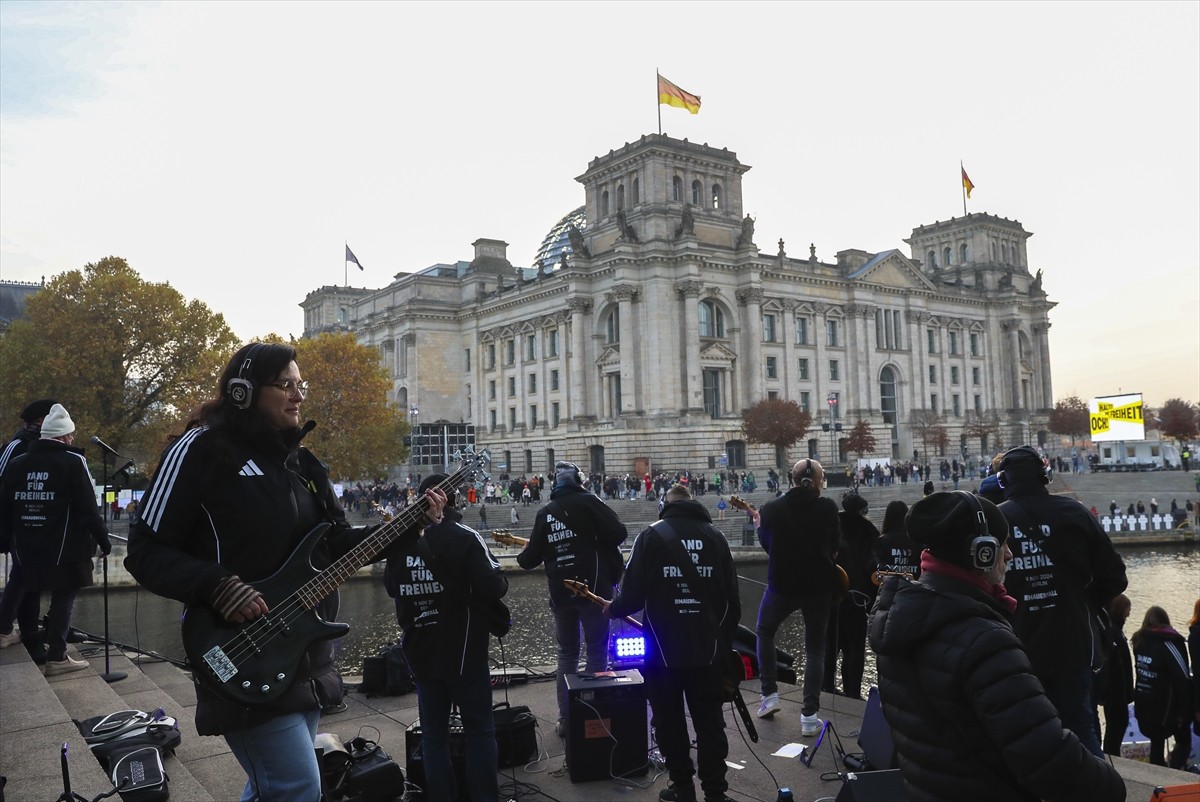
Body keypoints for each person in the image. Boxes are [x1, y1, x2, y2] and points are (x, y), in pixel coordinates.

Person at [125, 342, 444, 802]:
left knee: (271, 786)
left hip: (304, 653)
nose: (298, 396)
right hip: (238, 646)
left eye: (301, 385)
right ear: (242, 392)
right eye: (285, 385)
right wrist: (215, 585)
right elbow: (145, 548)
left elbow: (335, 547)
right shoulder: (198, 449)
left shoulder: (304, 464)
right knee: (296, 787)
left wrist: (411, 524)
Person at [868, 491, 1126, 802]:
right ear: (982, 554)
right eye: (1002, 544)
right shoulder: (984, 640)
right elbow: (1047, 758)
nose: (1010, 554)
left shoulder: (896, 620)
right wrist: (1113, 787)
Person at [605, 483, 740, 802]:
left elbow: (633, 595)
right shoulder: (715, 537)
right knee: (710, 723)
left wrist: (614, 608)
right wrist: (721, 642)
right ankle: (716, 793)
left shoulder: (650, 536)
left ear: (665, 506)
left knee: (669, 721)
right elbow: (732, 603)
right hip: (706, 647)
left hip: (662, 650)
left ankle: (682, 788)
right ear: (693, 503)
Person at [995, 445, 1128, 757]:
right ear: (1045, 476)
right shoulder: (1075, 513)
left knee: (1022, 733)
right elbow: (1116, 578)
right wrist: (1078, 595)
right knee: (1081, 727)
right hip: (1072, 640)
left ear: (1004, 481)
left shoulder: (995, 521)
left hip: (1016, 644)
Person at [384, 473, 507, 802]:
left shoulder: (401, 543)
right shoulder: (465, 537)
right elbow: (495, 586)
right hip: (464, 652)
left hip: (421, 652)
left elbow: (392, 587)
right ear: (452, 500)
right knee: (480, 731)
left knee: (433, 738)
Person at [517, 460, 627, 736]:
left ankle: (566, 720)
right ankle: (592, 719)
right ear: (579, 481)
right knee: (597, 650)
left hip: (561, 594)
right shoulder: (591, 502)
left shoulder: (545, 512)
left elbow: (528, 561)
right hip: (594, 590)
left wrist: (534, 549)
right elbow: (619, 533)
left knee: (566, 653)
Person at [0, 403, 111, 674]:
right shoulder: (73, 461)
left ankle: (12, 633)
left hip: (27, 543)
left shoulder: (18, 462)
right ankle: (57, 656)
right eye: (71, 436)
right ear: (64, 437)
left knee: (26, 586)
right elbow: (88, 507)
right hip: (66, 545)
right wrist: (103, 541)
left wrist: (4, 540)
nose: (72, 440)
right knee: (65, 594)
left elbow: (5, 504)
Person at [753, 458, 840, 734]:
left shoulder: (771, 509)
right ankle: (809, 717)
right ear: (815, 481)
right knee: (815, 648)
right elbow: (835, 546)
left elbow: (768, 545)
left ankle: (769, 696)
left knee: (764, 632)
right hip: (818, 588)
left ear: (793, 479)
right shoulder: (827, 507)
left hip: (781, 586)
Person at [0, 398, 57, 650]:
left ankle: (29, 630)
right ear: (39, 421)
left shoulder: (33, 445)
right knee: (22, 575)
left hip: (29, 522)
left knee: (29, 576)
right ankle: (4, 628)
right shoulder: (17, 446)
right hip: (17, 523)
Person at [823, 493, 878, 700]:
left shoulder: (833, 525)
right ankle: (852, 692)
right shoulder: (869, 530)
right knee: (854, 648)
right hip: (858, 597)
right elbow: (873, 566)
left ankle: (826, 685)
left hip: (833, 594)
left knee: (831, 643)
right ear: (862, 509)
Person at [1131, 605, 1193, 769]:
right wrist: (1183, 711)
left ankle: (1157, 775)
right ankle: (1173, 772)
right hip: (1166, 706)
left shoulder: (1138, 641)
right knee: (1183, 740)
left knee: (1156, 745)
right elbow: (1182, 677)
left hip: (1144, 702)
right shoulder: (1169, 642)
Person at [1093, 593, 1134, 756]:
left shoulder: (1112, 629)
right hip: (1116, 692)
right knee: (1117, 725)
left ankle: (1111, 755)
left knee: (1115, 726)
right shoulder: (1114, 632)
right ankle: (1112, 757)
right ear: (1121, 610)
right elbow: (1117, 665)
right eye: (1128, 608)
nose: (1130, 612)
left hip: (1115, 692)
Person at [874, 499, 920, 581]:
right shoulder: (917, 540)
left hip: (889, 589)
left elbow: (877, 568)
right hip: (915, 588)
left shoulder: (881, 541)